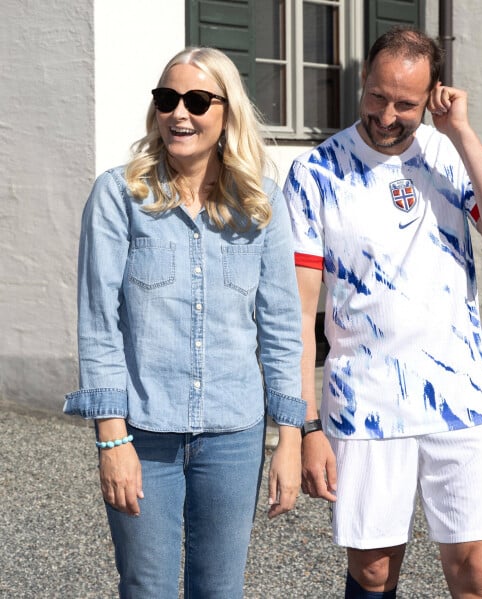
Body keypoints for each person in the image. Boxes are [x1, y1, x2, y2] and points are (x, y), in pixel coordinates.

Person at [284, 27, 482, 599]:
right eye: (377, 96)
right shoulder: (315, 173)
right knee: (372, 574)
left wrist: (463, 133)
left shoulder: (448, 152)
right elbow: (298, 312)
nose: (388, 115)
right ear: (363, 82)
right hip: (366, 401)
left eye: (406, 103)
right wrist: (306, 426)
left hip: (463, 400)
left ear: (433, 96)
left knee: (475, 573)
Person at [64, 46, 305, 598]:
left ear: (226, 115)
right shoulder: (118, 196)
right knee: (146, 588)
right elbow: (99, 324)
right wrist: (111, 440)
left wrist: (288, 439)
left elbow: (281, 326)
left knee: (219, 590)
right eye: (168, 99)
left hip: (234, 435)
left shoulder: (261, 202)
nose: (180, 113)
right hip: (144, 432)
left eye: (197, 100)